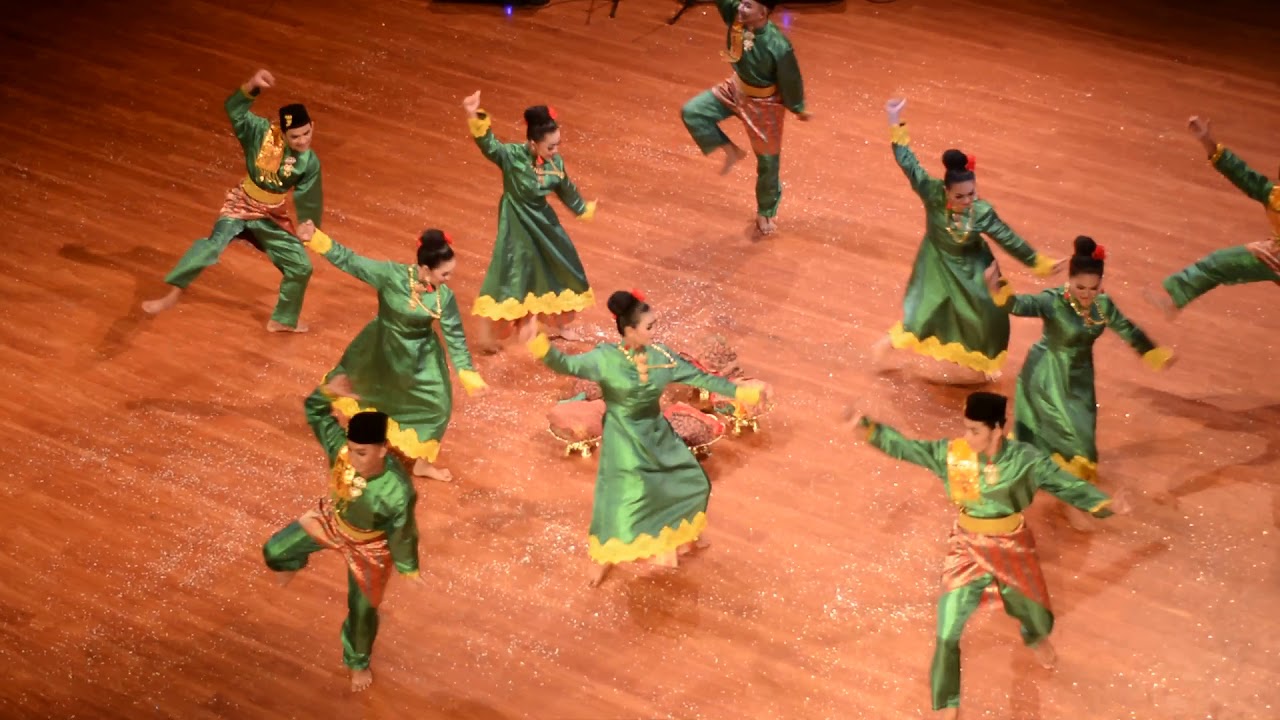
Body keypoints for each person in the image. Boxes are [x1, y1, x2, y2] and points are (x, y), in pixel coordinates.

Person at [844, 391, 1132, 718]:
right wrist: (869, 430)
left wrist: (1107, 505)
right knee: (946, 632)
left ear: (997, 430)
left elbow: (1064, 484)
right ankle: (947, 703)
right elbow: (911, 449)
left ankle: (1035, 636)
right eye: (966, 428)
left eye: (975, 431)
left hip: (1012, 548)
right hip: (965, 549)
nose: (967, 437)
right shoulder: (955, 455)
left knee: (1035, 616)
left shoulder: (1025, 460)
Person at [526, 290, 768, 587]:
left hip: (655, 433)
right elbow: (567, 365)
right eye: (649, 327)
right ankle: (604, 557)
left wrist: (741, 392)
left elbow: (700, 378)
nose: (654, 332)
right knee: (619, 500)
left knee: (693, 482)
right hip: (623, 439)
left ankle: (680, 536)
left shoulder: (661, 357)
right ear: (630, 330)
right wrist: (540, 345)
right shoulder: (605, 359)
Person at [986, 236, 1173, 531]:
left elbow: (1128, 329)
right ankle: (1072, 501)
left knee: (1082, 439)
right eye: (1080, 287)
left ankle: (1067, 493)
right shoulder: (1052, 301)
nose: (1087, 293)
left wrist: (1152, 352)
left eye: (1093, 287)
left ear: (1102, 283)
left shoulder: (1103, 305)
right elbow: (1021, 305)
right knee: (1065, 440)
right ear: (1069, 280)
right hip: (1046, 376)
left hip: (1080, 379)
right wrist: (998, 289)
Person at [873, 97, 1062, 385]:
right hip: (937, 263)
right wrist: (894, 121)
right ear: (946, 191)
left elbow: (1010, 240)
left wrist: (1039, 263)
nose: (966, 201)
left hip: (974, 267)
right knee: (927, 310)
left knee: (989, 315)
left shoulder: (982, 212)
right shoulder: (931, 192)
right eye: (959, 196)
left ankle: (984, 358)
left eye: (971, 194)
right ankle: (891, 342)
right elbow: (908, 162)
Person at [295, 221, 487, 483]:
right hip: (381, 348)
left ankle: (422, 464)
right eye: (445, 274)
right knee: (365, 391)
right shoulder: (390, 274)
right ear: (425, 269)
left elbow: (455, 336)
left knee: (438, 408)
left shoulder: (445, 298)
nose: (449, 280)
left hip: (420, 357)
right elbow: (352, 261)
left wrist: (467, 372)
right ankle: (354, 436)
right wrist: (316, 239)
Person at [142, 68, 322, 332]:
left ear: (312, 126)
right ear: (282, 133)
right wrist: (252, 85)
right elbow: (234, 110)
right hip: (242, 204)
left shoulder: (309, 161)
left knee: (301, 266)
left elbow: (310, 197)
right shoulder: (261, 134)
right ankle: (172, 294)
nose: (302, 140)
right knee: (211, 247)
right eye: (295, 136)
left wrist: (309, 225)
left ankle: (283, 320)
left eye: (306, 133)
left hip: (270, 215)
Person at [263, 409, 421, 693]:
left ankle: (358, 661)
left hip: (369, 546)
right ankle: (293, 562)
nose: (353, 457)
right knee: (275, 551)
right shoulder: (342, 452)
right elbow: (318, 415)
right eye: (351, 450)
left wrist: (407, 566)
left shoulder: (398, 490)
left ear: (383, 449)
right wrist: (327, 391)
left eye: (362, 453)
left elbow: (402, 531)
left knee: (362, 610)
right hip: (330, 520)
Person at [462, 90, 597, 349]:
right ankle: (509, 327)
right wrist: (472, 113)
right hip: (516, 222)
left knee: (560, 267)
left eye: (557, 144)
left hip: (544, 223)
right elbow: (489, 145)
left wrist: (582, 209)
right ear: (533, 144)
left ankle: (559, 324)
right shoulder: (511, 156)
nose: (556, 151)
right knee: (516, 271)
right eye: (550, 146)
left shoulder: (555, 164)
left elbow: (566, 189)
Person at [680, 0, 810, 236]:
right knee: (692, 112)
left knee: (769, 163)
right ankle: (730, 149)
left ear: (763, 13)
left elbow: (791, 79)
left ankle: (766, 210)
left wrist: (797, 106)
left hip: (764, 105)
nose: (740, 7)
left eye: (748, 5)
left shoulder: (778, 45)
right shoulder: (735, 16)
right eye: (741, 2)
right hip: (735, 90)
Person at [1145, 116, 1280, 319]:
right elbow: (1240, 173)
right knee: (1217, 263)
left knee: (1218, 263)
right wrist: (1206, 140)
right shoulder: (1273, 195)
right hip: (1274, 256)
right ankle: (1174, 302)